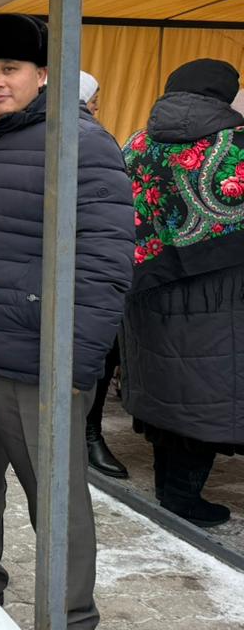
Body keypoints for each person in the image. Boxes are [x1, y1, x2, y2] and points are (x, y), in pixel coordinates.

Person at [0, 14, 133, 630]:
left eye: (10, 68)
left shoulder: (81, 143)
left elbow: (104, 261)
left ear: (42, 74)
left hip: (39, 360)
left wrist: (73, 362)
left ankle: (69, 616)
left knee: (55, 503)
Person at [121, 58, 244, 528]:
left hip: (146, 289)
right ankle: (183, 496)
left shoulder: (136, 143)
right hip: (218, 295)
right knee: (208, 390)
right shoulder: (235, 145)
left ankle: (169, 487)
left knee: (166, 387)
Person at [80, 69, 127, 479]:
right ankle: (89, 432)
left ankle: (91, 431)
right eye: (92, 101)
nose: (96, 109)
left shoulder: (97, 141)